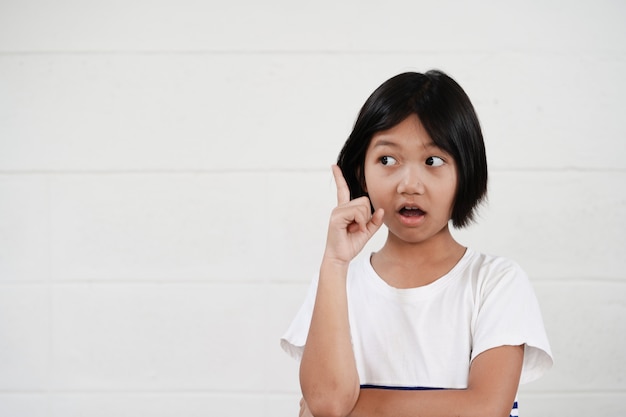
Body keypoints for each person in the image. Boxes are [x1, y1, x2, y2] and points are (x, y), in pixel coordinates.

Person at [281, 70, 552, 417]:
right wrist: (334, 263)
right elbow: (329, 403)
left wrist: (358, 408)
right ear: (361, 172)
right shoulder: (338, 281)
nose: (409, 184)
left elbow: (484, 409)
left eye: (433, 161)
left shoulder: (496, 282)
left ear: (465, 172)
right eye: (387, 160)